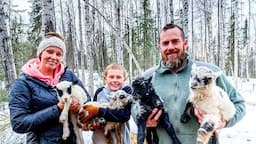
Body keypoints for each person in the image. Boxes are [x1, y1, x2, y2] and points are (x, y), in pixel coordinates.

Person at [133, 23, 246, 143]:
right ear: (159, 47)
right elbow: (134, 105)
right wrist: (142, 119)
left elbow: (239, 104)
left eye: (175, 41)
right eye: (165, 43)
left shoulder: (209, 74)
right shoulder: (148, 77)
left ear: (185, 43)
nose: (170, 47)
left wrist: (223, 122)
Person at [9, 32, 90, 144]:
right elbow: (19, 124)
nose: (54, 57)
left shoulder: (68, 75)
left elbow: (87, 99)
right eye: (50, 52)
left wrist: (79, 106)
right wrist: (57, 109)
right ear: (40, 53)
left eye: (59, 54)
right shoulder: (23, 83)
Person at [79, 64, 133, 144]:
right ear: (105, 78)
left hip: (121, 139)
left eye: (118, 77)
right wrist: (93, 124)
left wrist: (98, 111)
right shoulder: (99, 92)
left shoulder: (126, 93)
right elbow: (92, 114)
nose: (115, 80)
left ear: (124, 79)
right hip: (101, 139)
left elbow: (124, 116)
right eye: (111, 77)